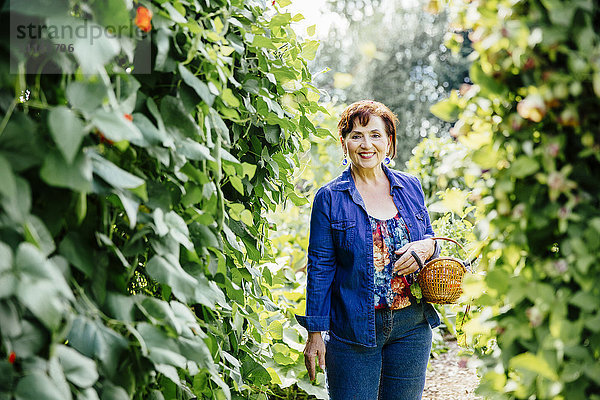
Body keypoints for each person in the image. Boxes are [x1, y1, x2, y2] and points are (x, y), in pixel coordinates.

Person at [295, 100, 441, 400]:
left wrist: (427, 247)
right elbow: (320, 267)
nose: (366, 144)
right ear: (344, 142)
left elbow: (428, 237)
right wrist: (315, 334)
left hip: (412, 327)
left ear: (389, 142)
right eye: (356, 135)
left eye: (375, 135)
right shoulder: (330, 198)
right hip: (354, 330)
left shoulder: (410, 186)